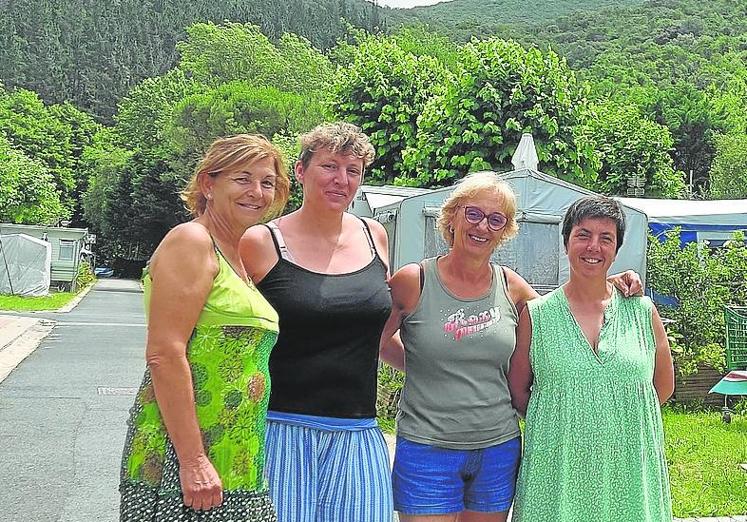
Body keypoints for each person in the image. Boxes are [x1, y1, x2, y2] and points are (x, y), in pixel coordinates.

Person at [380, 174, 642, 522]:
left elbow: (562, 313)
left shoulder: (512, 287)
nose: (482, 226)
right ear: (453, 216)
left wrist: (604, 282)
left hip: (497, 449)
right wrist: (423, 365)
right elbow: (379, 341)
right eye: (473, 214)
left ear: (504, 231)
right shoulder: (414, 281)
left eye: (496, 219)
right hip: (428, 447)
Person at [119, 134, 290, 522]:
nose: (257, 192)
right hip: (184, 455)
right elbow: (165, 353)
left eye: (267, 182)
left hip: (236, 455)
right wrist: (193, 460)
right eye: (242, 178)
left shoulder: (235, 253)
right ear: (208, 184)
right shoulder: (192, 241)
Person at [239, 122, 394, 522]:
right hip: (279, 428)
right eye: (329, 166)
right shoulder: (259, 242)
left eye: (353, 170)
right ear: (300, 171)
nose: (341, 179)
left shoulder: (375, 236)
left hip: (358, 431)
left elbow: (378, 335)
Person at [508, 195, 674, 522]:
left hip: (628, 474)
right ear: (566, 241)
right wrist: (569, 415)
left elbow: (663, 389)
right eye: (583, 235)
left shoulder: (642, 312)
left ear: (616, 248)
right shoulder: (537, 316)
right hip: (557, 476)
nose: (593, 246)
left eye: (606, 238)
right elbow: (518, 391)